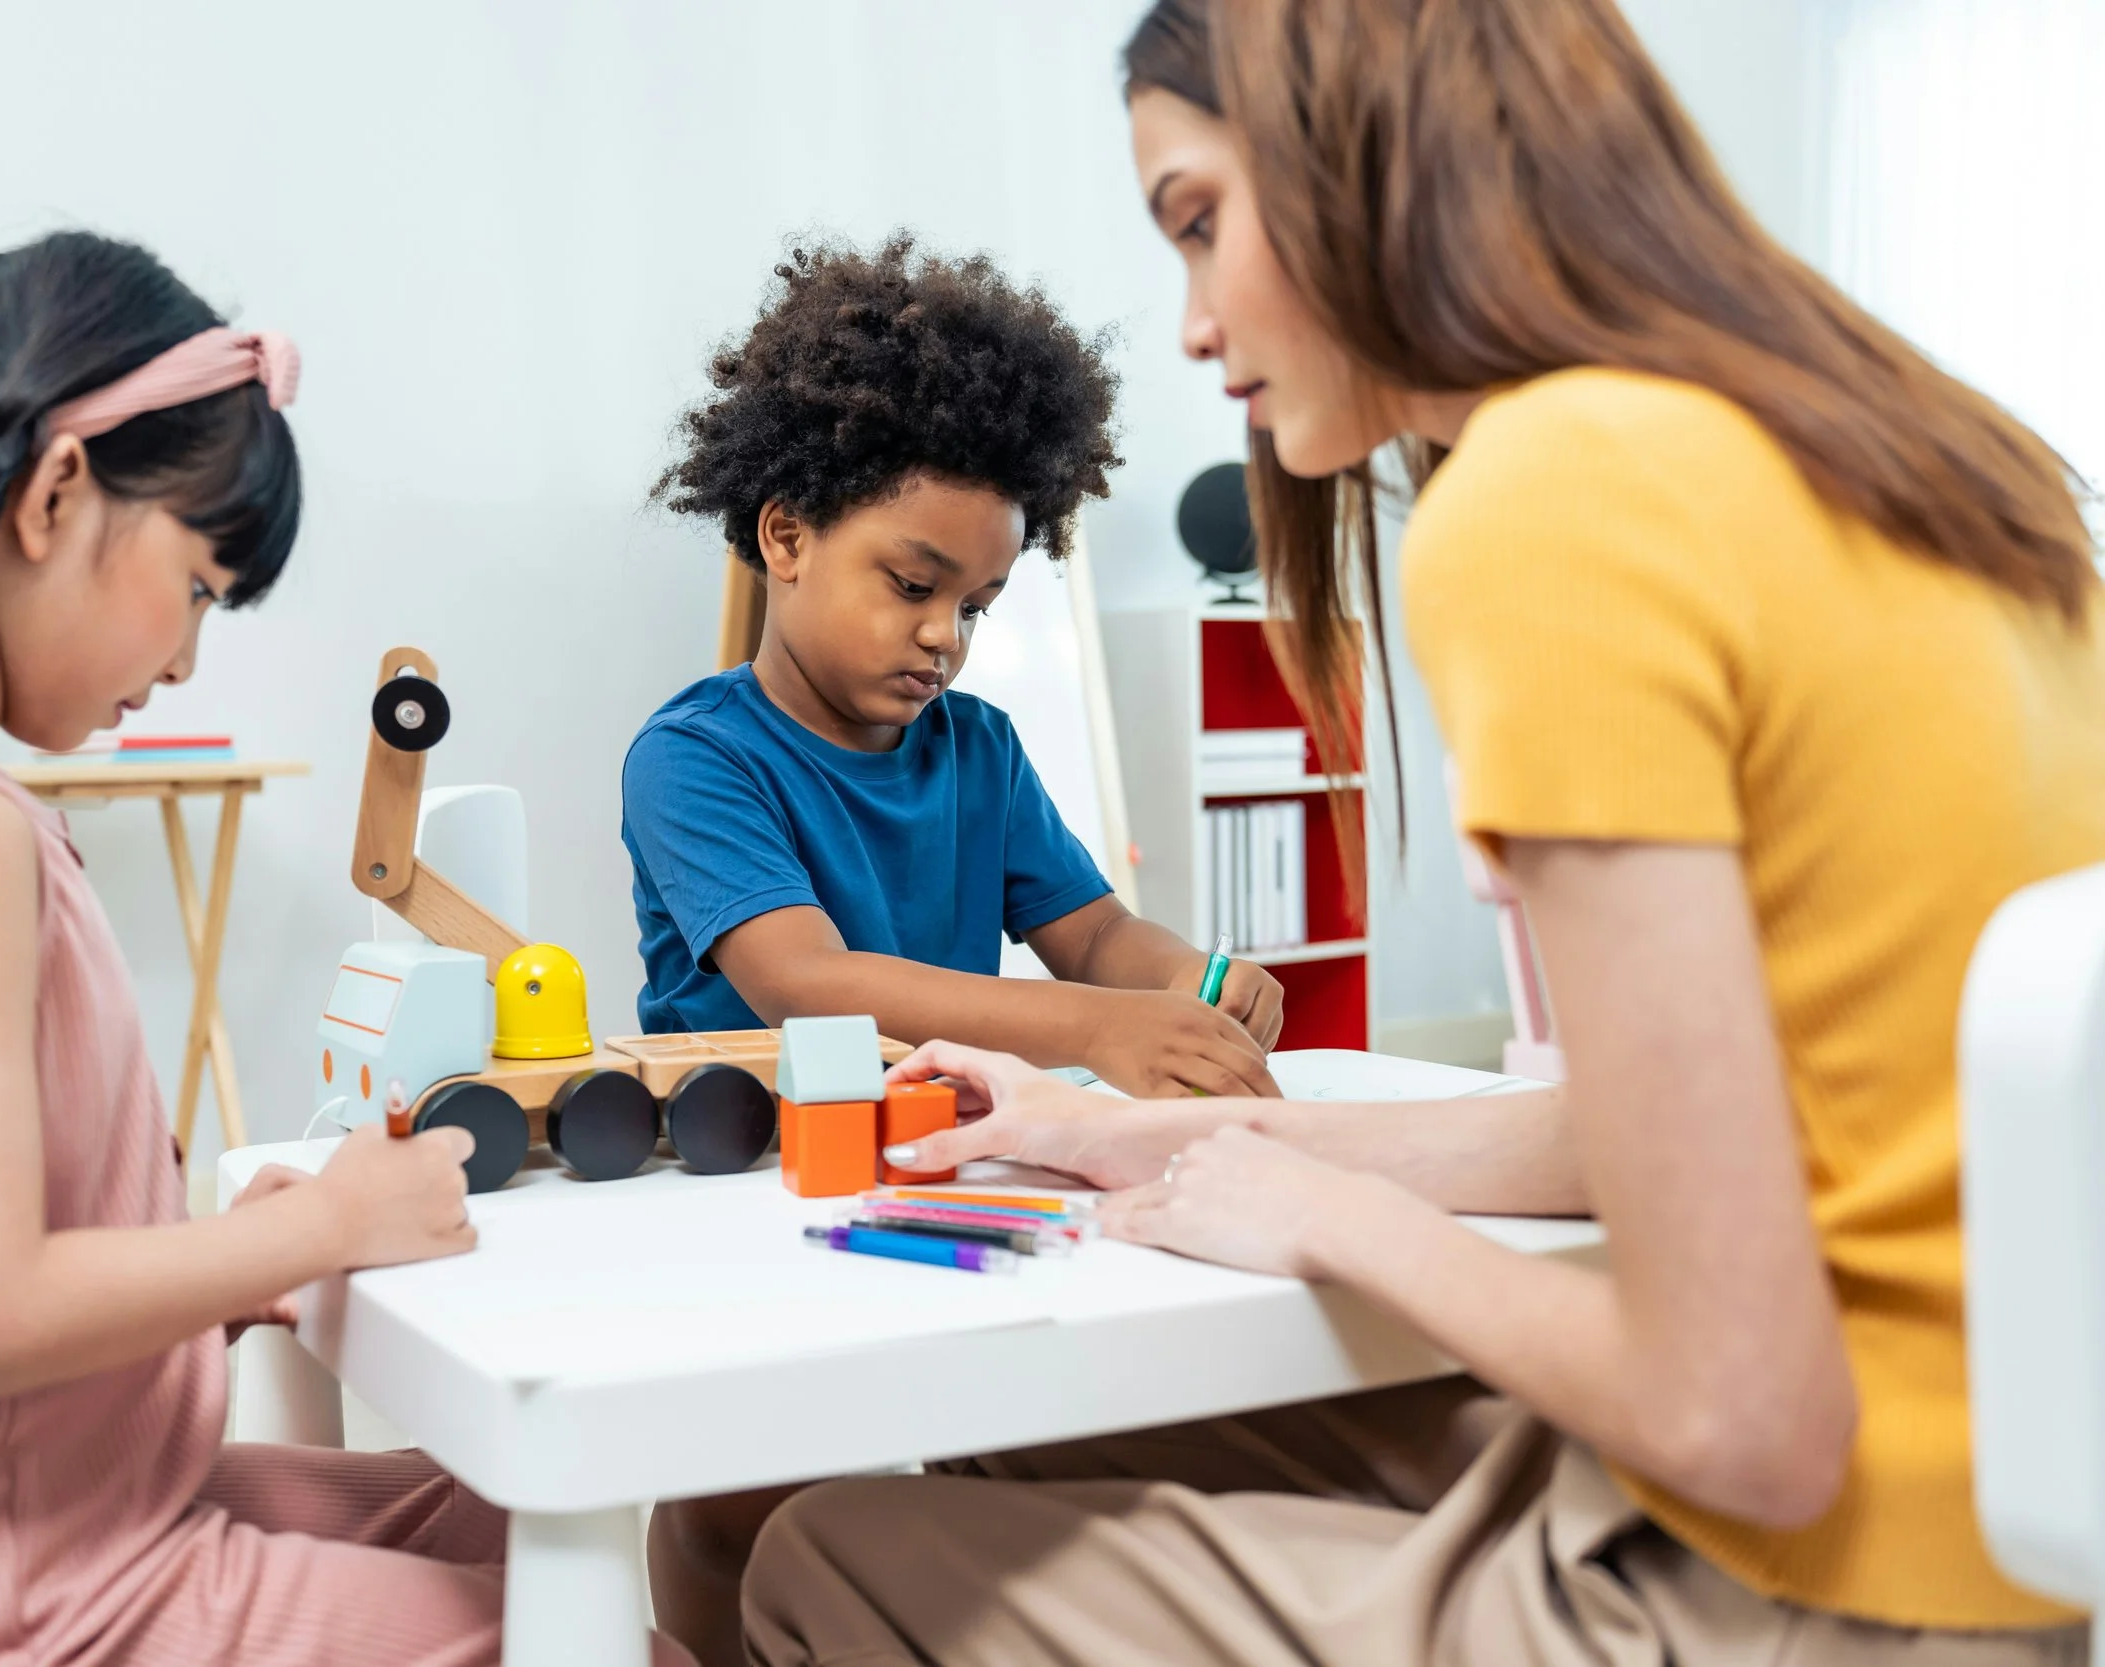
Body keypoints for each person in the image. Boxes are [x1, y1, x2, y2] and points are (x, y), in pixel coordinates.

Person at [737, 1, 2105, 1662]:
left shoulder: (1556, 492)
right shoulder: (1932, 466)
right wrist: (1153, 1143)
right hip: (1999, 1544)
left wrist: (1337, 1216)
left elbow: (1747, 1406)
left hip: (1804, 1576)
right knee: (1033, 1435)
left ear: (1354, 163)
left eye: (1200, 222)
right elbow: (1678, 1128)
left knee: (831, 1549)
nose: (1189, 322)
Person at [0, 231, 688, 1666]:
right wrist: (314, 1228)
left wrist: (227, 1255)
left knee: (506, 1512)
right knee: (612, 1637)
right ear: (52, 494)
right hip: (4, 1591)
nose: (184, 663)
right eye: (203, 588)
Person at [628, 234, 1284, 1104]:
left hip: (941, 1144)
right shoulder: (694, 757)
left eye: (975, 605)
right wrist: (1096, 1027)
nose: (945, 634)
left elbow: (1094, 937)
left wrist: (1188, 977)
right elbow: (806, 984)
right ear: (786, 536)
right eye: (912, 586)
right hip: (748, 1162)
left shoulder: (979, 749)